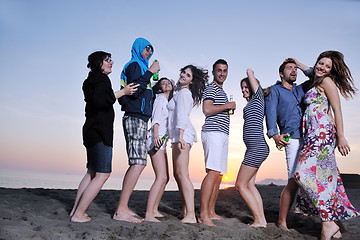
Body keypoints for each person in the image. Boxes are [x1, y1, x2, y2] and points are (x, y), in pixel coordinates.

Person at [292, 51, 359, 240]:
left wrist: (341, 135)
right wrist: (298, 63)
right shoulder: (316, 78)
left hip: (322, 133)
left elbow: (337, 108)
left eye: (327, 66)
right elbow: (311, 71)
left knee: (301, 174)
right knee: (323, 180)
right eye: (320, 64)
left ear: (331, 71)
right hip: (313, 134)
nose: (322, 68)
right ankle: (330, 226)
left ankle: (328, 223)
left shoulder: (327, 82)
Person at [70, 51, 139, 222]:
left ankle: (75, 211)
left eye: (110, 60)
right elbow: (101, 101)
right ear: (98, 63)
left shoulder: (89, 80)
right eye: (107, 60)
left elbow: (96, 101)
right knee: (103, 174)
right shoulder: (101, 79)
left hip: (90, 131)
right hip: (100, 132)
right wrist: (122, 92)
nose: (111, 63)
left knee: (91, 172)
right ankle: (79, 214)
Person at [113, 38, 160, 223]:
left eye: (151, 50)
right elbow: (133, 91)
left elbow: (142, 91)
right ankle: (121, 210)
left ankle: (123, 207)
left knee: (138, 162)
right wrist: (149, 72)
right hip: (134, 117)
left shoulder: (140, 67)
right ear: (139, 48)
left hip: (140, 118)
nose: (149, 52)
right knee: (138, 162)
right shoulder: (134, 65)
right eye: (147, 48)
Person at [265, 59, 311, 231]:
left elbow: (316, 77)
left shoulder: (300, 89)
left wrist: (300, 64)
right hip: (291, 139)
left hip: (309, 138)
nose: (293, 71)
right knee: (293, 180)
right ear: (280, 73)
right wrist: (274, 134)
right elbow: (270, 113)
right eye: (289, 68)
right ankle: (282, 221)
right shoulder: (275, 91)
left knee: (310, 178)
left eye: (295, 68)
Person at [167, 65, 208, 223]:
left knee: (182, 174)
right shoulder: (180, 92)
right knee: (178, 175)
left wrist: (182, 137)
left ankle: (191, 214)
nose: (183, 75)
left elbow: (182, 115)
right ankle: (185, 210)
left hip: (183, 135)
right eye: (183, 72)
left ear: (191, 81)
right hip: (178, 135)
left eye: (188, 75)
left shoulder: (184, 94)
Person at [199, 59, 236, 226]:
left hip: (222, 134)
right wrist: (227, 106)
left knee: (219, 176)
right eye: (219, 70)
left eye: (225, 71)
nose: (222, 73)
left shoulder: (221, 90)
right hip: (213, 132)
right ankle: (203, 215)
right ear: (214, 72)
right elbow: (207, 109)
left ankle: (211, 211)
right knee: (212, 172)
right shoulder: (211, 87)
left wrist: (226, 106)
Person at [235, 69, 269, 227]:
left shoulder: (258, 98)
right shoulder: (250, 103)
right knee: (249, 185)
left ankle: (259, 219)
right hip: (253, 148)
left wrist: (249, 72)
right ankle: (261, 219)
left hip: (257, 148)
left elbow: (250, 73)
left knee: (240, 185)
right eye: (242, 87)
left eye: (246, 87)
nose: (244, 90)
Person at [145, 77, 174, 222]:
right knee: (161, 177)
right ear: (160, 88)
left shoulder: (169, 102)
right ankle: (149, 213)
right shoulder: (160, 98)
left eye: (168, 82)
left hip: (162, 142)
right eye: (163, 83)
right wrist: (156, 135)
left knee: (165, 178)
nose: (167, 84)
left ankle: (155, 209)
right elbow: (155, 119)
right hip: (155, 140)